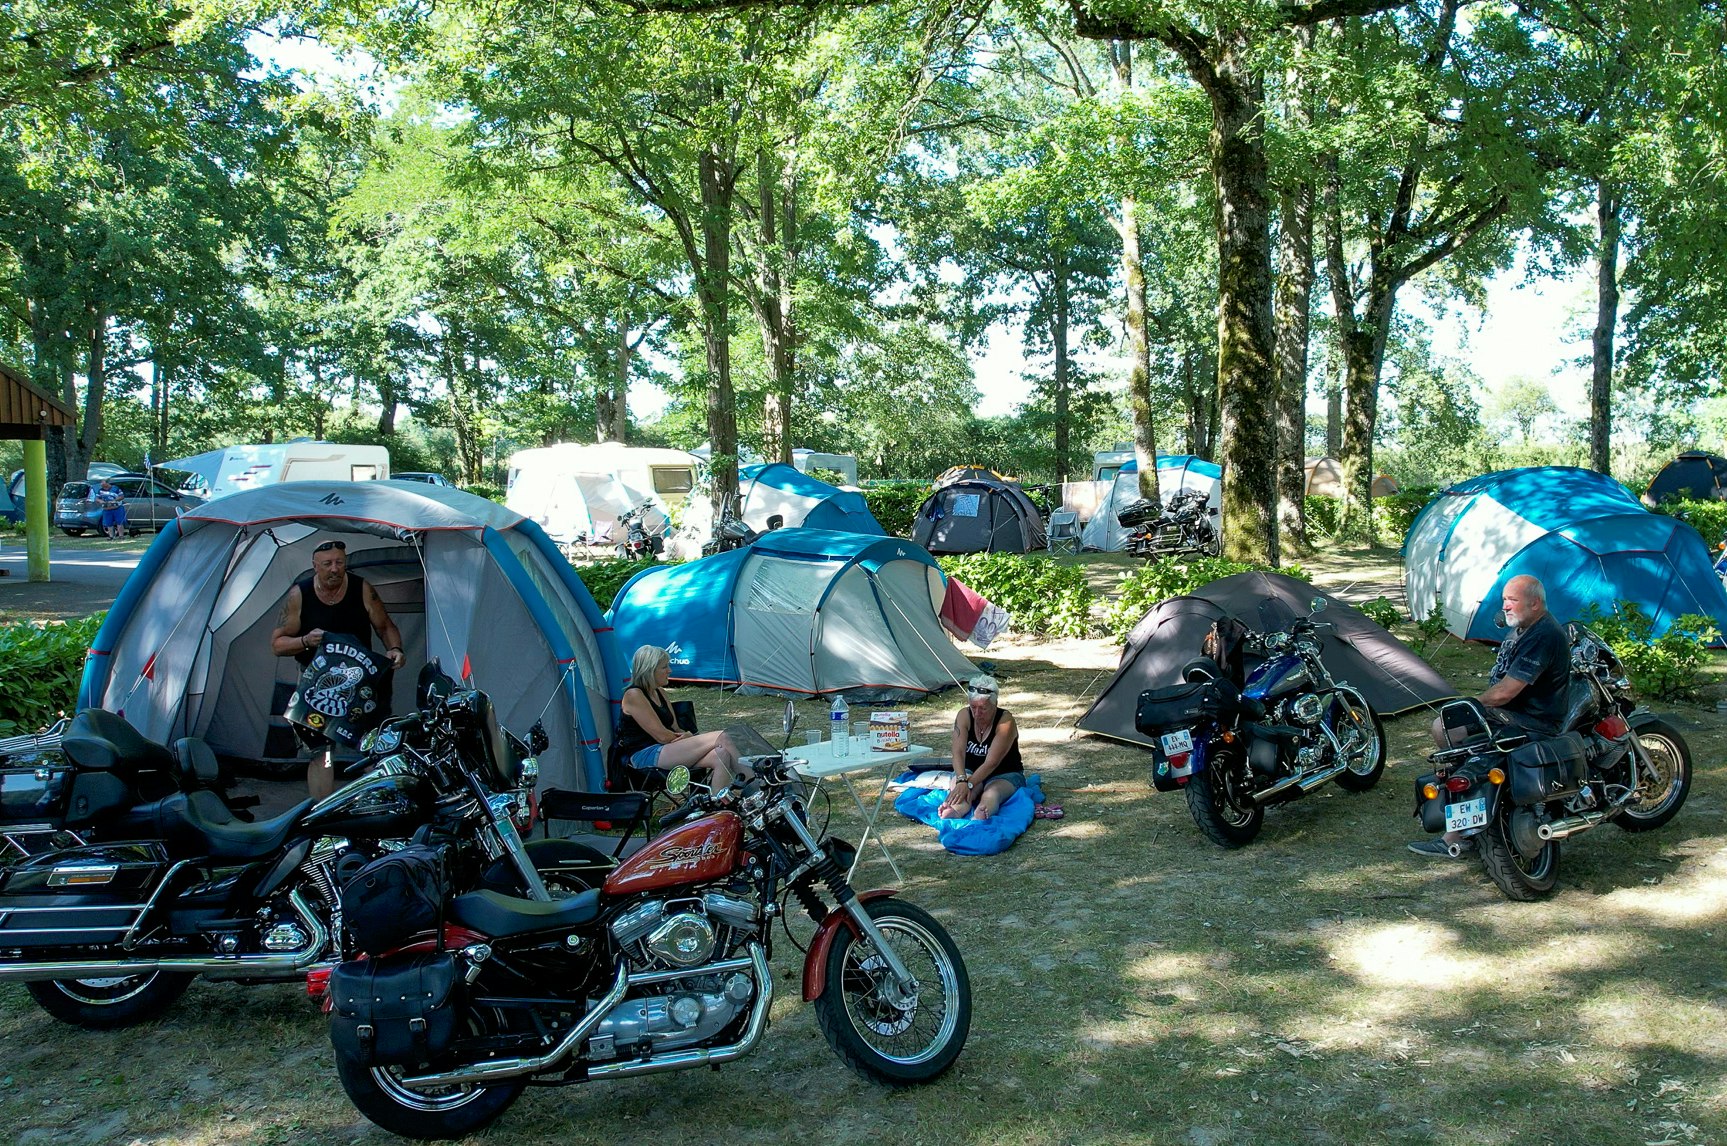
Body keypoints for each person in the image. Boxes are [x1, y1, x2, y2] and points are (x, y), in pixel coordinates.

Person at [1412, 574, 1570, 858]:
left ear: (1534, 603)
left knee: (1448, 729)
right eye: (1504, 600)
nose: (1506, 606)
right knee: (1449, 735)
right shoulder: (1524, 627)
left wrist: (1470, 704)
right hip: (1514, 713)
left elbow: (1505, 692)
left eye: (1512, 600)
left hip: (1532, 720)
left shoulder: (1543, 635)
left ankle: (1459, 825)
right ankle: (1465, 811)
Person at [270, 539, 406, 798]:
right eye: (327, 564)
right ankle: (323, 813)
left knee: (372, 748)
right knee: (323, 754)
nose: (334, 569)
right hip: (317, 685)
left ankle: (372, 806)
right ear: (314, 566)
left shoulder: (362, 588)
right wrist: (304, 641)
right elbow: (277, 644)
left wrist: (396, 650)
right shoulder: (299, 595)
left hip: (361, 683)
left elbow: (385, 626)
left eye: (340, 563)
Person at [616, 645, 744, 788]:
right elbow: (662, 737)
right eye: (664, 667)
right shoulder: (634, 695)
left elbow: (675, 727)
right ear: (649, 670)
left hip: (667, 749)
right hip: (646, 755)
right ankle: (754, 786)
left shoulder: (660, 692)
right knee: (724, 736)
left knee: (721, 754)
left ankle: (717, 805)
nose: (670, 670)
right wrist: (690, 738)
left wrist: (685, 735)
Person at [938, 673, 1026, 821]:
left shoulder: (1005, 721)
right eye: (973, 707)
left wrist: (969, 784)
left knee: (991, 793)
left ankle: (983, 811)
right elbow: (958, 752)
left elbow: (992, 762)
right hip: (969, 772)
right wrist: (961, 781)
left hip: (1004, 773)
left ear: (995, 704)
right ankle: (955, 810)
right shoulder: (964, 715)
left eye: (983, 708)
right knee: (962, 792)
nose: (977, 713)